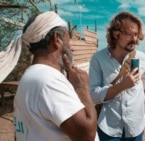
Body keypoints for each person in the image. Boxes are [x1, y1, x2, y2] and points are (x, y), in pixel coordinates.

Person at [13, 11, 99, 141]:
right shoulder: (49, 80)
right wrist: (82, 87)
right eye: (68, 38)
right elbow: (87, 135)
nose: (71, 47)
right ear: (57, 39)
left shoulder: (30, 76)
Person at [89, 11, 145, 140]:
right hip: (109, 129)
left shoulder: (141, 57)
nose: (134, 39)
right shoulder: (98, 59)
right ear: (116, 34)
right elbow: (94, 95)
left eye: (136, 34)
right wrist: (122, 86)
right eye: (129, 34)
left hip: (135, 127)